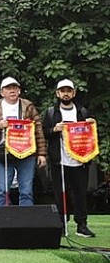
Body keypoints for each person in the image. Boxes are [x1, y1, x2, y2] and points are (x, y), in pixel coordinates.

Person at [43, 79, 96, 237]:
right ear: (57, 93)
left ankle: (82, 225)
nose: (65, 94)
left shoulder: (82, 112)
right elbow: (44, 132)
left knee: (81, 193)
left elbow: (90, 135)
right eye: (62, 91)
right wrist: (54, 129)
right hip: (59, 160)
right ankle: (61, 224)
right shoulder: (51, 112)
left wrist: (91, 124)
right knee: (60, 193)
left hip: (80, 160)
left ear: (73, 93)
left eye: (68, 90)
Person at [0, 77, 47, 207]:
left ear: (19, 91)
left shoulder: (28, 106)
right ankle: (2, 222)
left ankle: (25, 223)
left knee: (26, 191)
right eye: (8, 88)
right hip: (4, 153)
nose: (12, 90)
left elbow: (38, 129)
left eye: (15, 88)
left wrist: (42, 153)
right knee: (3, 190)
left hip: (27, 153)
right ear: (2, 92)